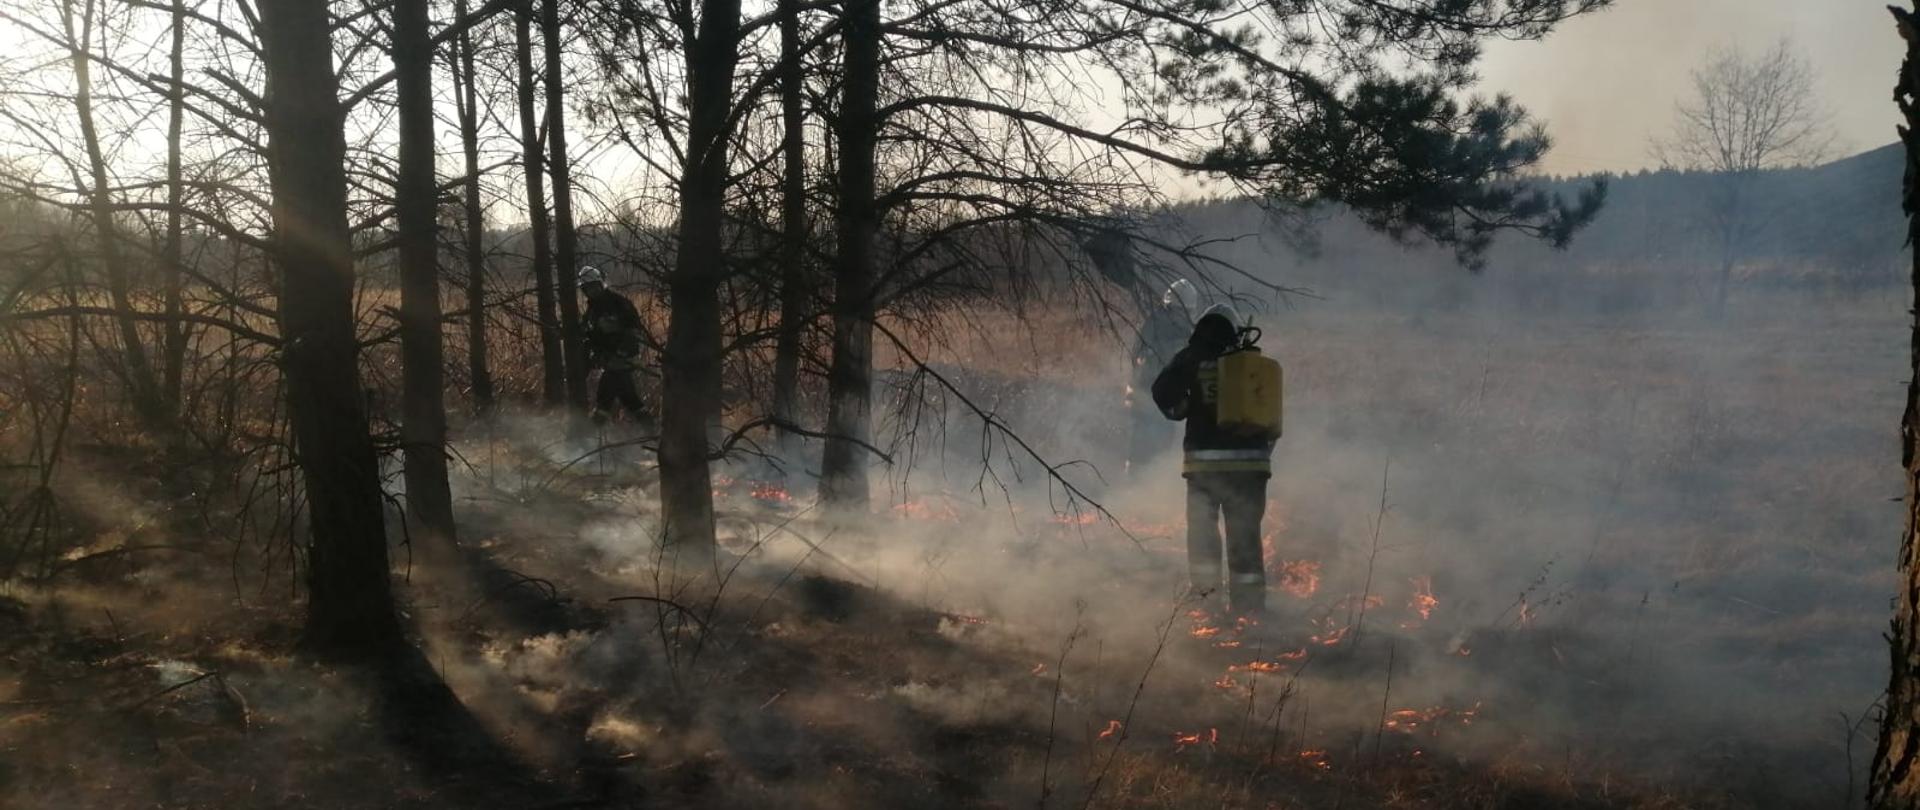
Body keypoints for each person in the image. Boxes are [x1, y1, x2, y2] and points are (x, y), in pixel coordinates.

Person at [1151, 303, 1275, 617]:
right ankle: (1250, 614)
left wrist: (1183, 408)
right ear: (1235, 331)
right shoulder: (1251, 364)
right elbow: (1271, 420)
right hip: (1250, 470)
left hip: (1204, 468)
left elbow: (1163, 394)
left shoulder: (1191, 359)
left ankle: (1207, 608)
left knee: (1203, 540)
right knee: (1245, 539)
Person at [1128, 280, 1199, 475]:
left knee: (1147, 443)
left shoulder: (1155, 321)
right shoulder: (1184, 331)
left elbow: (1135, 354)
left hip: (1154, 393)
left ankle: (1139, 484)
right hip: (1154, 393)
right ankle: (1139, 484)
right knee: (1148, 442)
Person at [579, 266, 650, 426]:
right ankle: (652, 431)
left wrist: (621, 353)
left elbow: (634, 331)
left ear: (600, 284)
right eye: (587, 288)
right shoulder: (592, 308)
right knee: (629, 398)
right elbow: (588, 332)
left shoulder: (619, 303)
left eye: (593, 287)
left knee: (605, 396)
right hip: (608, 359)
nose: (591, 291)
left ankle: (589, 437)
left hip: (621, 359)